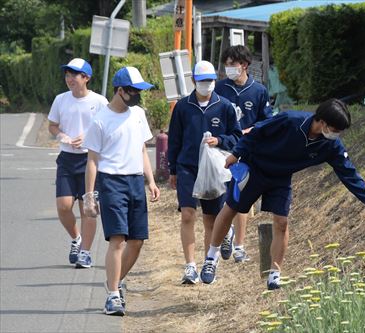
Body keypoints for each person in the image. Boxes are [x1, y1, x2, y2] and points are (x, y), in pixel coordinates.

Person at [200, 98, 365, 289]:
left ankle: (275, 273)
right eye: (335, 129)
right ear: (322, 122)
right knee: (231, 209)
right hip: (255, 168)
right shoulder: (289, 120)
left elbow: (348, 173)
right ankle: (211, 258)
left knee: (282, 222)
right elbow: (255, 133)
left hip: (281, 178)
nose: (336, 135)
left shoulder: (331, 146)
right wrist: (235, 154)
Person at [82, 66, 160, 316]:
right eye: (133, 91)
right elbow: (92, 161)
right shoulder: (101, 120)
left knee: (137, 242)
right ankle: (114, 295)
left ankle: (112, 282)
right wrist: (89, 196)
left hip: (136, 181)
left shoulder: (138, 114)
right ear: (119, 91)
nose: (137, 95)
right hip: (111, 182)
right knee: (118, 240)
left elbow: (141, 150)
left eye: (139, 90)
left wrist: (151, 181)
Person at [168, 60, 242, 285]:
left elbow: (237, 137)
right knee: (188, 214)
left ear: (215, 81)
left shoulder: (225, 106)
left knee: (211, 218)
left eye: (210, 81)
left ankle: (209, 261)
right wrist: (173, 169)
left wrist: (219, 140)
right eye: (202, 81)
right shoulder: (183, 106)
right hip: (187, 167)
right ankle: (190, 266)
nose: (206, 85)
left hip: (214, 169)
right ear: (194, 81)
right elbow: (174, 140)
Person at [215, 45, 274, 263]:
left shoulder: (258, 91)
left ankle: (239, 245)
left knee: (243, 197)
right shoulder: (220, 88)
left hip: (248, 151)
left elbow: (267, 120)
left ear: (244, 65)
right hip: (222, 149)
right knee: (223, 197)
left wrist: (251, 130)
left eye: (232, 64)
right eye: (226, 65)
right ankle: (227, 233)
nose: (228, 68)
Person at [48, 58, 108, 268]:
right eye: (67, 74)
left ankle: (85, 253)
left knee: (87, 208)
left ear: (87, 78)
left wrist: (88, 135)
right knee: (63, 206)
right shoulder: (61, 100)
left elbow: (107, 127)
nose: (70, 78)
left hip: (89, 160)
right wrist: (62, 136)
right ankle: (77, 238)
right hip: (66, 159)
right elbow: (52, 125)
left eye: (74, 74)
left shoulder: (100, 101)